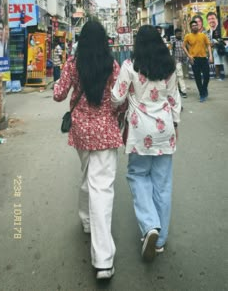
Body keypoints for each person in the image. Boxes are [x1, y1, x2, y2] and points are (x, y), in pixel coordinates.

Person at [53, 20, 125, 280]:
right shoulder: (112, 65)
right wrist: (115, 115)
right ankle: (103, 260)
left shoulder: (73, 64)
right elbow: (120, 98)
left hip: (82, 133)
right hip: (106, 131)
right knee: (101, 189)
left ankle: (86, 220)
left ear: (81, 41)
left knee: (88, 178)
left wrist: (61, 79)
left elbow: (58, 95)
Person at [111, 25, 181, 262]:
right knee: (162, 183)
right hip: (165, 129)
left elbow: (116, 97)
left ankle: (150, 225)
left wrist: (128, 95)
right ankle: (160, 241)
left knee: (138, 176)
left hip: (140, 131)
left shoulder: (130, 66)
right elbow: (174, 100)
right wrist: (176, 125)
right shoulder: (169, 67)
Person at [182, 20, 213, 102]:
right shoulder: (188, 36)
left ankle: (204, 89)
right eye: (193, 26)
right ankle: (202, 94)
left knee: (207, 76)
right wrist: (189, 56)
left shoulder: (203, 35)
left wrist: (210, 56)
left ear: (198, 26)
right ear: (191, 27)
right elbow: (183, 46)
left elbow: (208, 45)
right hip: (194, 59)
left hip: (203, 58)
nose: (195, 26)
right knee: (198, 77)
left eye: (196, 25)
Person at [171, 28, 188, 97]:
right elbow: (172, 51)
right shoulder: (173, 41)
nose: (179, 34)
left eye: (180, 33)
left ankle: (179, 89)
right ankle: (184, 91)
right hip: (177, 60)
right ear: (175, 34)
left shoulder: (184, 41)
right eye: (178, 33)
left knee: (182, 75)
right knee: (180, 75)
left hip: (184, 60)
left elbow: (187, 49)